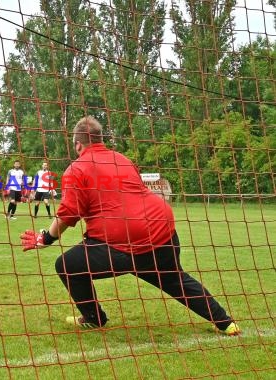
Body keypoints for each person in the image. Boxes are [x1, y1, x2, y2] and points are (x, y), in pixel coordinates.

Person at [20, 116, 240, 335]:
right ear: (100, 139)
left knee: (66, 266)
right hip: (160, 228)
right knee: (176, 280)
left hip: (121, 241)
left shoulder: (76, 169)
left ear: (77, 144)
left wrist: (46, 238)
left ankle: (93, 318)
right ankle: (225, 323)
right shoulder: (122, 159)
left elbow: (69, 213)